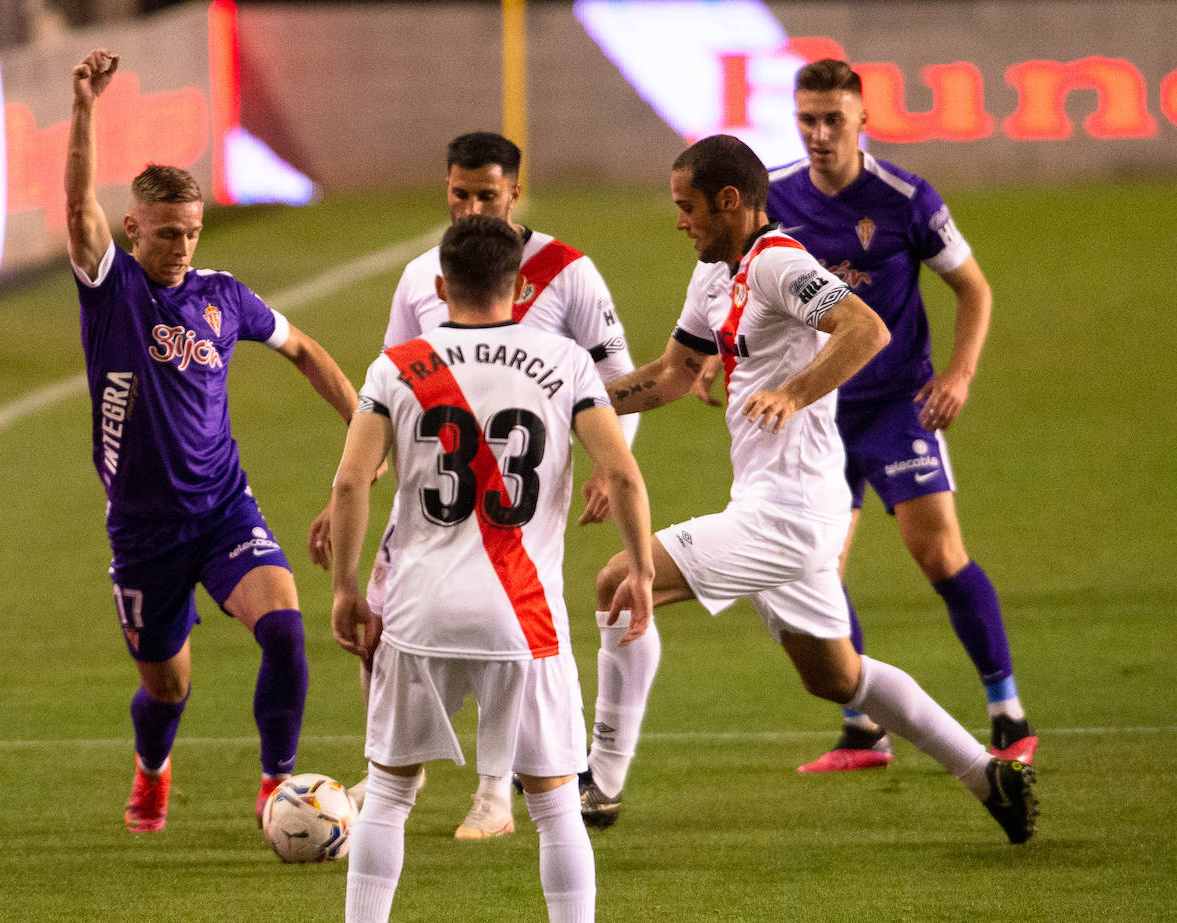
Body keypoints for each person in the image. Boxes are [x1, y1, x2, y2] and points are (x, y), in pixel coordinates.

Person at [595, 133, 1037, 844]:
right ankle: (989, 774)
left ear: (729, 201)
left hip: (791, 511)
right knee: (837, 678)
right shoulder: (715, 272)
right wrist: (574, 402)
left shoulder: (778, 262)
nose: (680, 220)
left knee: (621, 578)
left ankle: (600, 781)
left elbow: (865, 329)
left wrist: (794, 393)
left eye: (688, 207)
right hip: (776, 506)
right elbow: (674, 371)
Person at [309, 131, 655, 837]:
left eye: (487, 196)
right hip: (437, 492)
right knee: (379, 613)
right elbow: (396, 394)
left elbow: (618, 378)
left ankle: (497, 789)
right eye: (460, 193)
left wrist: (603, 461)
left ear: (515, 193)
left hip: (520, 497)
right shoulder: (419, 275)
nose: (471, 209)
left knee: (511, 627)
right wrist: (362, 475)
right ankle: (396, 761)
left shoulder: (568, 271)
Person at [65, 48, 359, 833]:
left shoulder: (224, 299)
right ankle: (153, 770)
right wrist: (87, 108)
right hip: (145, 530)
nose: (183, 246)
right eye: (167, 234)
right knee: (166, 688)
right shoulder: (113, 290)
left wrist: (361, 420)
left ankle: (278, 789)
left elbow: (304, 349)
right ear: (133, 229)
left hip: (224, 508)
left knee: (287, 632)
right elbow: (75, 214)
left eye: (192, 232)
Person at [758, 58, 1035, 771]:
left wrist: (960, 376)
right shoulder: (777, 198)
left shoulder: (906, 199)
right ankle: (863, 729)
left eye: (833, 120)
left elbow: (973, 289)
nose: (819, 134)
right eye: (807, 120)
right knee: (818, 572)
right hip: (816, 415)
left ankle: (1008, 718)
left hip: (897, 407)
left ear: (862, 121)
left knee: (937, 552)